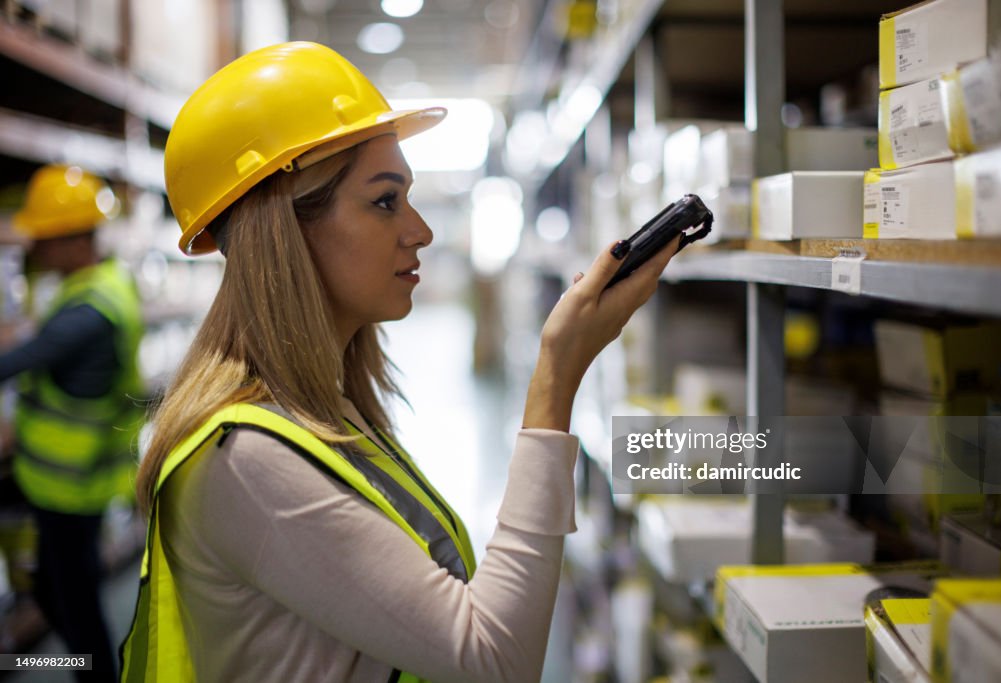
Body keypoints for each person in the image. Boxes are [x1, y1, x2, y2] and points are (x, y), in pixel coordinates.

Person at [120, 41, 678, 683]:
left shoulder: (318, 410)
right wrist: (556, 374)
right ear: (287, 231)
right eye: (385, 201)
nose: (421, 231)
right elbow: (494, 660)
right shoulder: (246, 460)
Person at [0, 164, 144, 682]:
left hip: (69, 487)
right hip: (66, 482)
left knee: (78, 609)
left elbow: (18, 361)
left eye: (44, 238)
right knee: (53, 590)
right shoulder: (101, 283)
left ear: (75, 240)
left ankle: (92, 675)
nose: (35, 247)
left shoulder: (88, 313)